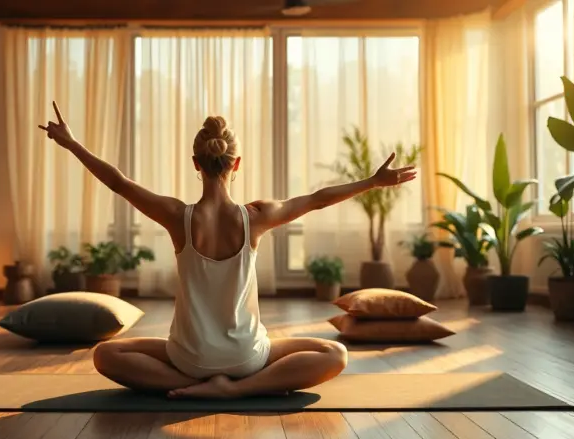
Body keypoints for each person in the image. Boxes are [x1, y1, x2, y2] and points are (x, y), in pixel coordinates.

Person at [39, 102, 416, 399]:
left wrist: (71, 143)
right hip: (248, 358)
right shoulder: (258, 216)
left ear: (195, 164)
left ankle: (189, 386)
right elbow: (317, 199)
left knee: (105, 355)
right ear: (236, 164)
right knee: (335, 354)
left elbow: (118, 183)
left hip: (187, 358)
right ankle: (237, 389)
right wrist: (373, 182)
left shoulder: (177, 217)